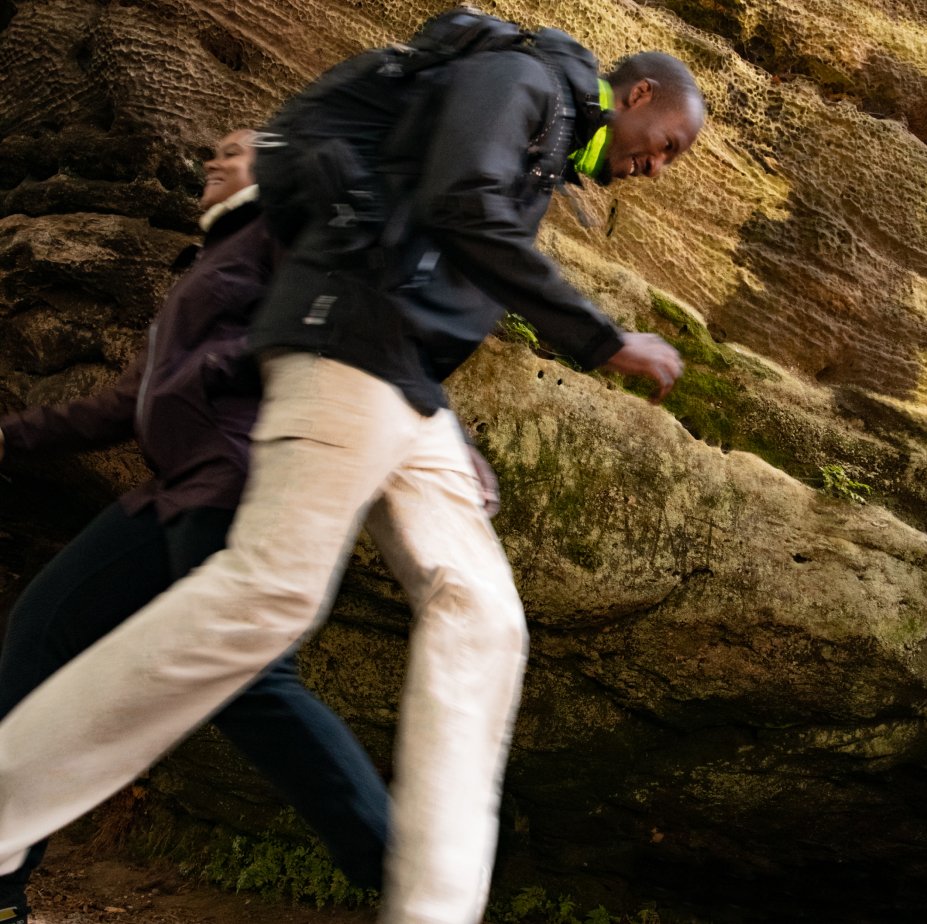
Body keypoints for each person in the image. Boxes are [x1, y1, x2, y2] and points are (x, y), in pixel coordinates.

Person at [0, 17, 705, 924]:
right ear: (637, 95)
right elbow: (458, 207)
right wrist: (603, 338)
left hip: (392, 383)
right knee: (253, 613)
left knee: (485, 616)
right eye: (670, 145)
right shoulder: (522, 84)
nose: (659, 165)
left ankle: (433, 908)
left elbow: (434, 251)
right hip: (342, 361)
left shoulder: (548, 141)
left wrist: (445, 436)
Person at [0, 130, 390, 924]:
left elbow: (360, 331)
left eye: (237, 149)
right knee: (43, 631)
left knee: (250, 680)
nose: (213, 156)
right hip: (175, 492)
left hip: (244, 484)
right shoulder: (216, 257)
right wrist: (12, 436)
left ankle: (409, 871)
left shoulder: (294, 230)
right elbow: (126, 402)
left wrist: (435, 436)